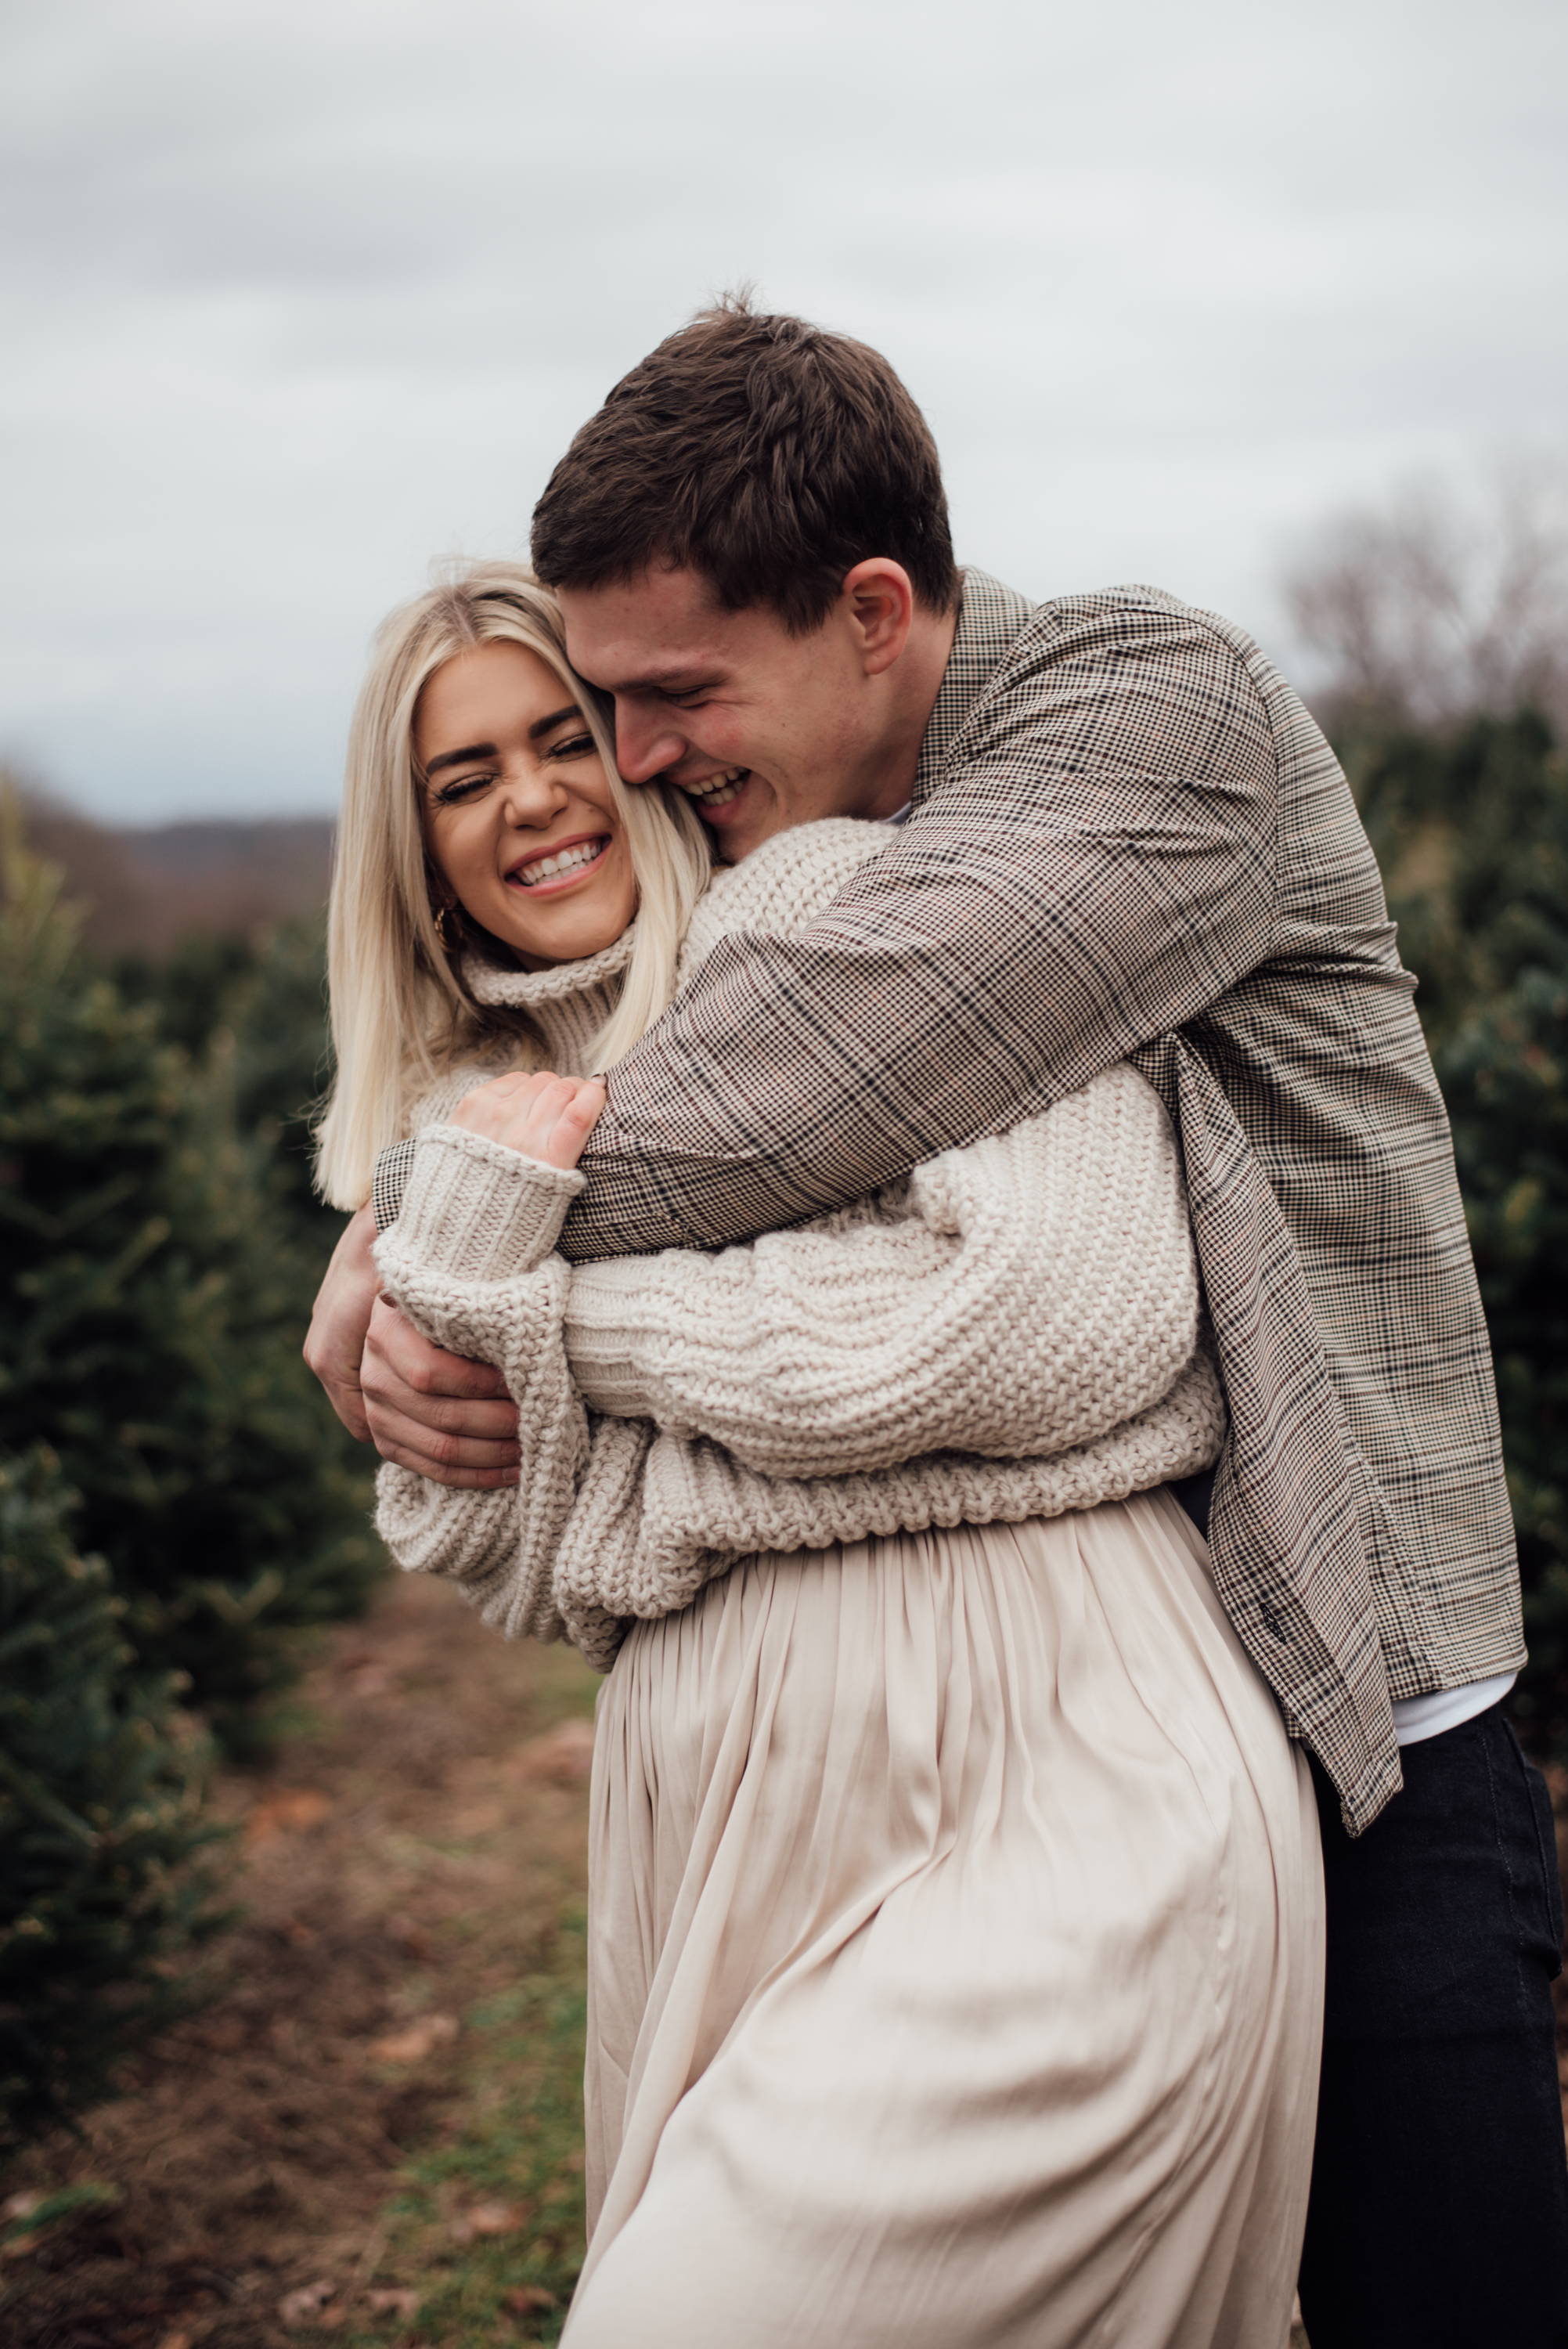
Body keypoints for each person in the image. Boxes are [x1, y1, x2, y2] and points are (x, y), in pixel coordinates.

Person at [306, 301, 1568, 2347]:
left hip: (1360, 1713)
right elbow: (511, 1508)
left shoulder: (1137, 724)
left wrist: (429, 1223)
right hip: (997, 1758)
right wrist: (452, 1216)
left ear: (874, 612)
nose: (627, 764)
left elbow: (798, 1090)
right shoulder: (797, 834)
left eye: (664, 695)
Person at [314, 561, 1321, 2346]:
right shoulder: (461, 1124)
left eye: (565, 736)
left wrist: (547, 1328)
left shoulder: (864, 914)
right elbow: (494, 1544)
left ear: (646, 750)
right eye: (462, 779)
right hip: (720, 1838)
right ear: (412, 845)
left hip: (1043, 1767)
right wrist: (494, 1300)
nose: (534, 797)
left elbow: (1052, 1325)